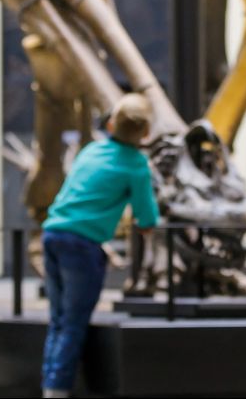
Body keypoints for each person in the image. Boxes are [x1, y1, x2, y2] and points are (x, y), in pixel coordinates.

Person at [38, 96, 160, 399]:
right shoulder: (136, 165)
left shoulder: (92, 151)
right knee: (73, 324)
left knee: (58, 321)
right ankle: (57, 391)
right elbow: (147, 218)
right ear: (145, 132)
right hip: (82, 244)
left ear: (110, 124)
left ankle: (49, 386)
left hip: (52, 234)